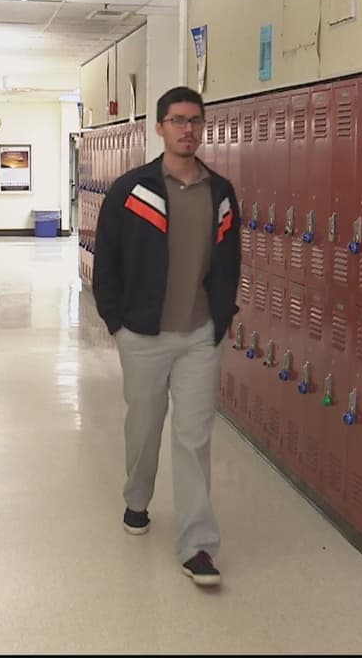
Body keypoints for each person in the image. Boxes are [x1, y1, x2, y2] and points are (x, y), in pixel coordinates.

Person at [92, 86, 242, 587]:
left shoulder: (220, 193)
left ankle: (198, 546)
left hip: (200, 335)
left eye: (195, 121)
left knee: (193, 437)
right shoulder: (132, 190)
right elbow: (106, 260)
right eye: (177, 121)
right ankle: (137, 499)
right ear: (159, 128)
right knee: (144, 426)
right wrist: (117, 323)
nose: (187, 130)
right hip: (144, 334)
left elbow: (230, 261)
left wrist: (222, 319)